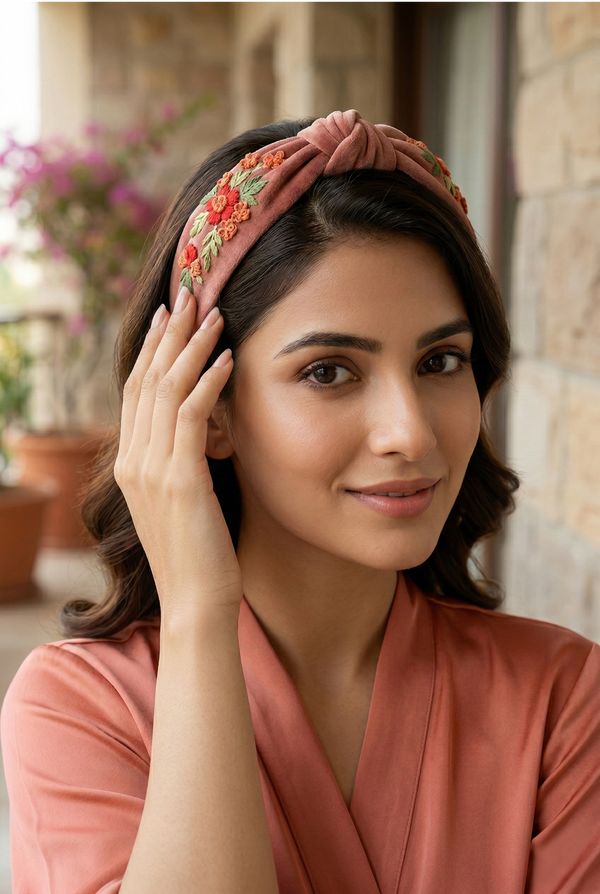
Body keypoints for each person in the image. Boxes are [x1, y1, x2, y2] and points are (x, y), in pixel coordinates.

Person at [1, 110, 599, 894]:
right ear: (203, 408)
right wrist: (198, 613)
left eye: (441, 360)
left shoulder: (562, 699)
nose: (408, 431)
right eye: (329, 371)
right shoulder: (80, 710)